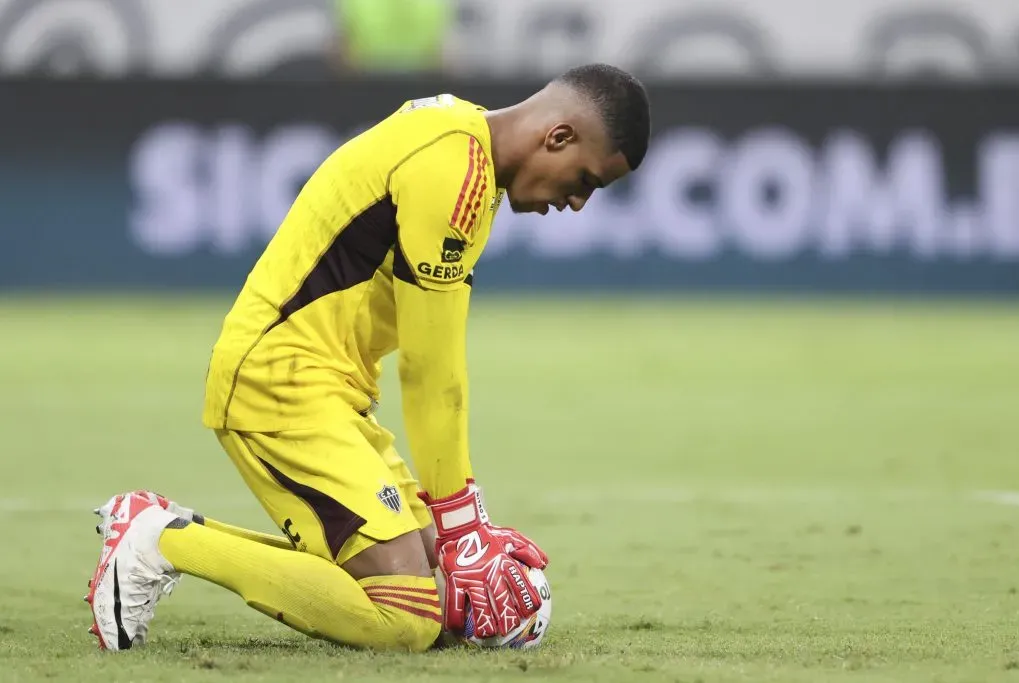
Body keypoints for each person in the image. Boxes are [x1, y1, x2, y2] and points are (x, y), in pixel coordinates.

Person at [85, 63, 651, 653]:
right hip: (280, 383)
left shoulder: (464, 145)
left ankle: (169, 531)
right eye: (586, 180)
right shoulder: (452, 169)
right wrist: (463, 521)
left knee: (440, 595)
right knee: (407, 620)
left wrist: (465, 526)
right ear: (558, 136)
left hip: (335, 394)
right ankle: (159, 542)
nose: (579, 202)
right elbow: (430, 369)